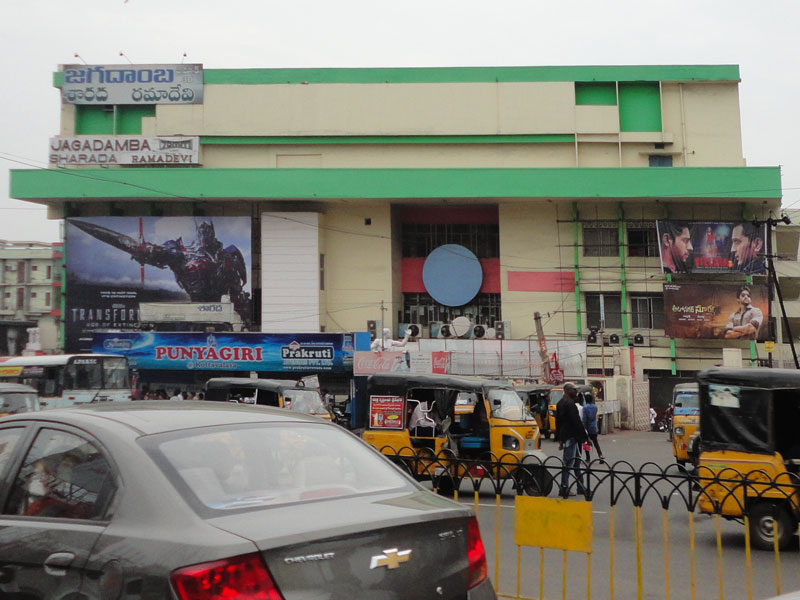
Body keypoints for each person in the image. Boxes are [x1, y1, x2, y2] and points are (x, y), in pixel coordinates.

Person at [555, 382, 588, 496]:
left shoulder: (560, 403)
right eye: (574, 390)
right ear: (568, 390)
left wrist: (559, 437)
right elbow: (577, 422)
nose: (576, 392)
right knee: (568, 463)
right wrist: (585, 437)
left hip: (567, 436)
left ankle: (581, 487)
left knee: (577, 462)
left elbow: (557, 422)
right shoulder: (570, 404)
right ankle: (564, 487)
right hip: (571, 436)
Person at [581, 393, 604, 461]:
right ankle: (600, 455)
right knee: (596, 442)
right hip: (594, 426)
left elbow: (584, 419)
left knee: (586, 442)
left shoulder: (585, 408)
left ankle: (588, 457)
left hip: (588, 427)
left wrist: (584, 428)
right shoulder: (595, 407)